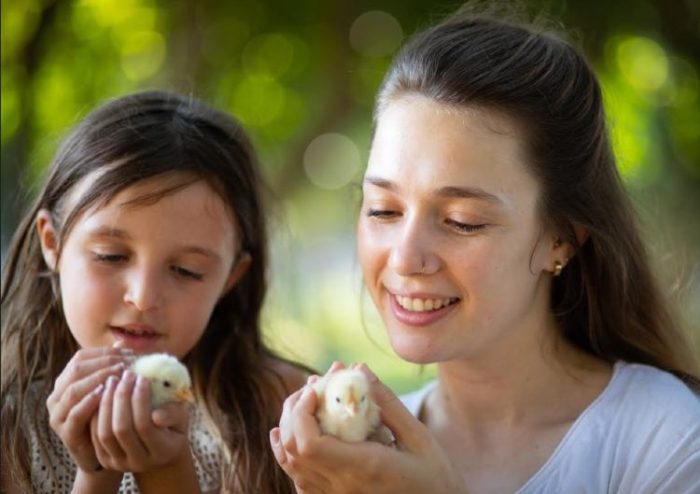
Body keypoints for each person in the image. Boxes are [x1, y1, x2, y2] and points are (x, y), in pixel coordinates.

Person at [270, 5, 700, 493]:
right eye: (384, 210)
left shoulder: (666, 440)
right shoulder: (354, 457)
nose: (406, 258)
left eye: (461, 221)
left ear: (561, 238)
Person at [0, 90, 308, 493]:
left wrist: (166, 470)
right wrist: (96, 475)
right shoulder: (10, 420)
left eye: (186, 270)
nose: (143, 297)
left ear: (231, 278)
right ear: (52, 244)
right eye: (110, 256)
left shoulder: (280, 411)